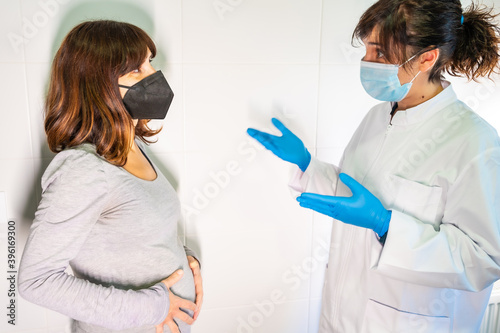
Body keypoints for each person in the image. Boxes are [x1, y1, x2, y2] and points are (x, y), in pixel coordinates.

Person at [247, 0, 500, 332]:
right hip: (341, 314)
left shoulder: (474, 142)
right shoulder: (379, 116)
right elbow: (353, 194)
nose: (367, 62)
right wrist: (307, 164)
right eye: (367, 50)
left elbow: (483, 260)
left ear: (427, 57)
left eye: (380, 54)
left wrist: (386, 226)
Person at [18, 20, 203, 333]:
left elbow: (136, 233)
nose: (154, 76)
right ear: (96, 84)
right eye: (136, 69)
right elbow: (36, 281)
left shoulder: (131, 146)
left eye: (150, 62)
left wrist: (186, 261)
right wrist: (154, 306)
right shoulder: (83, 170)